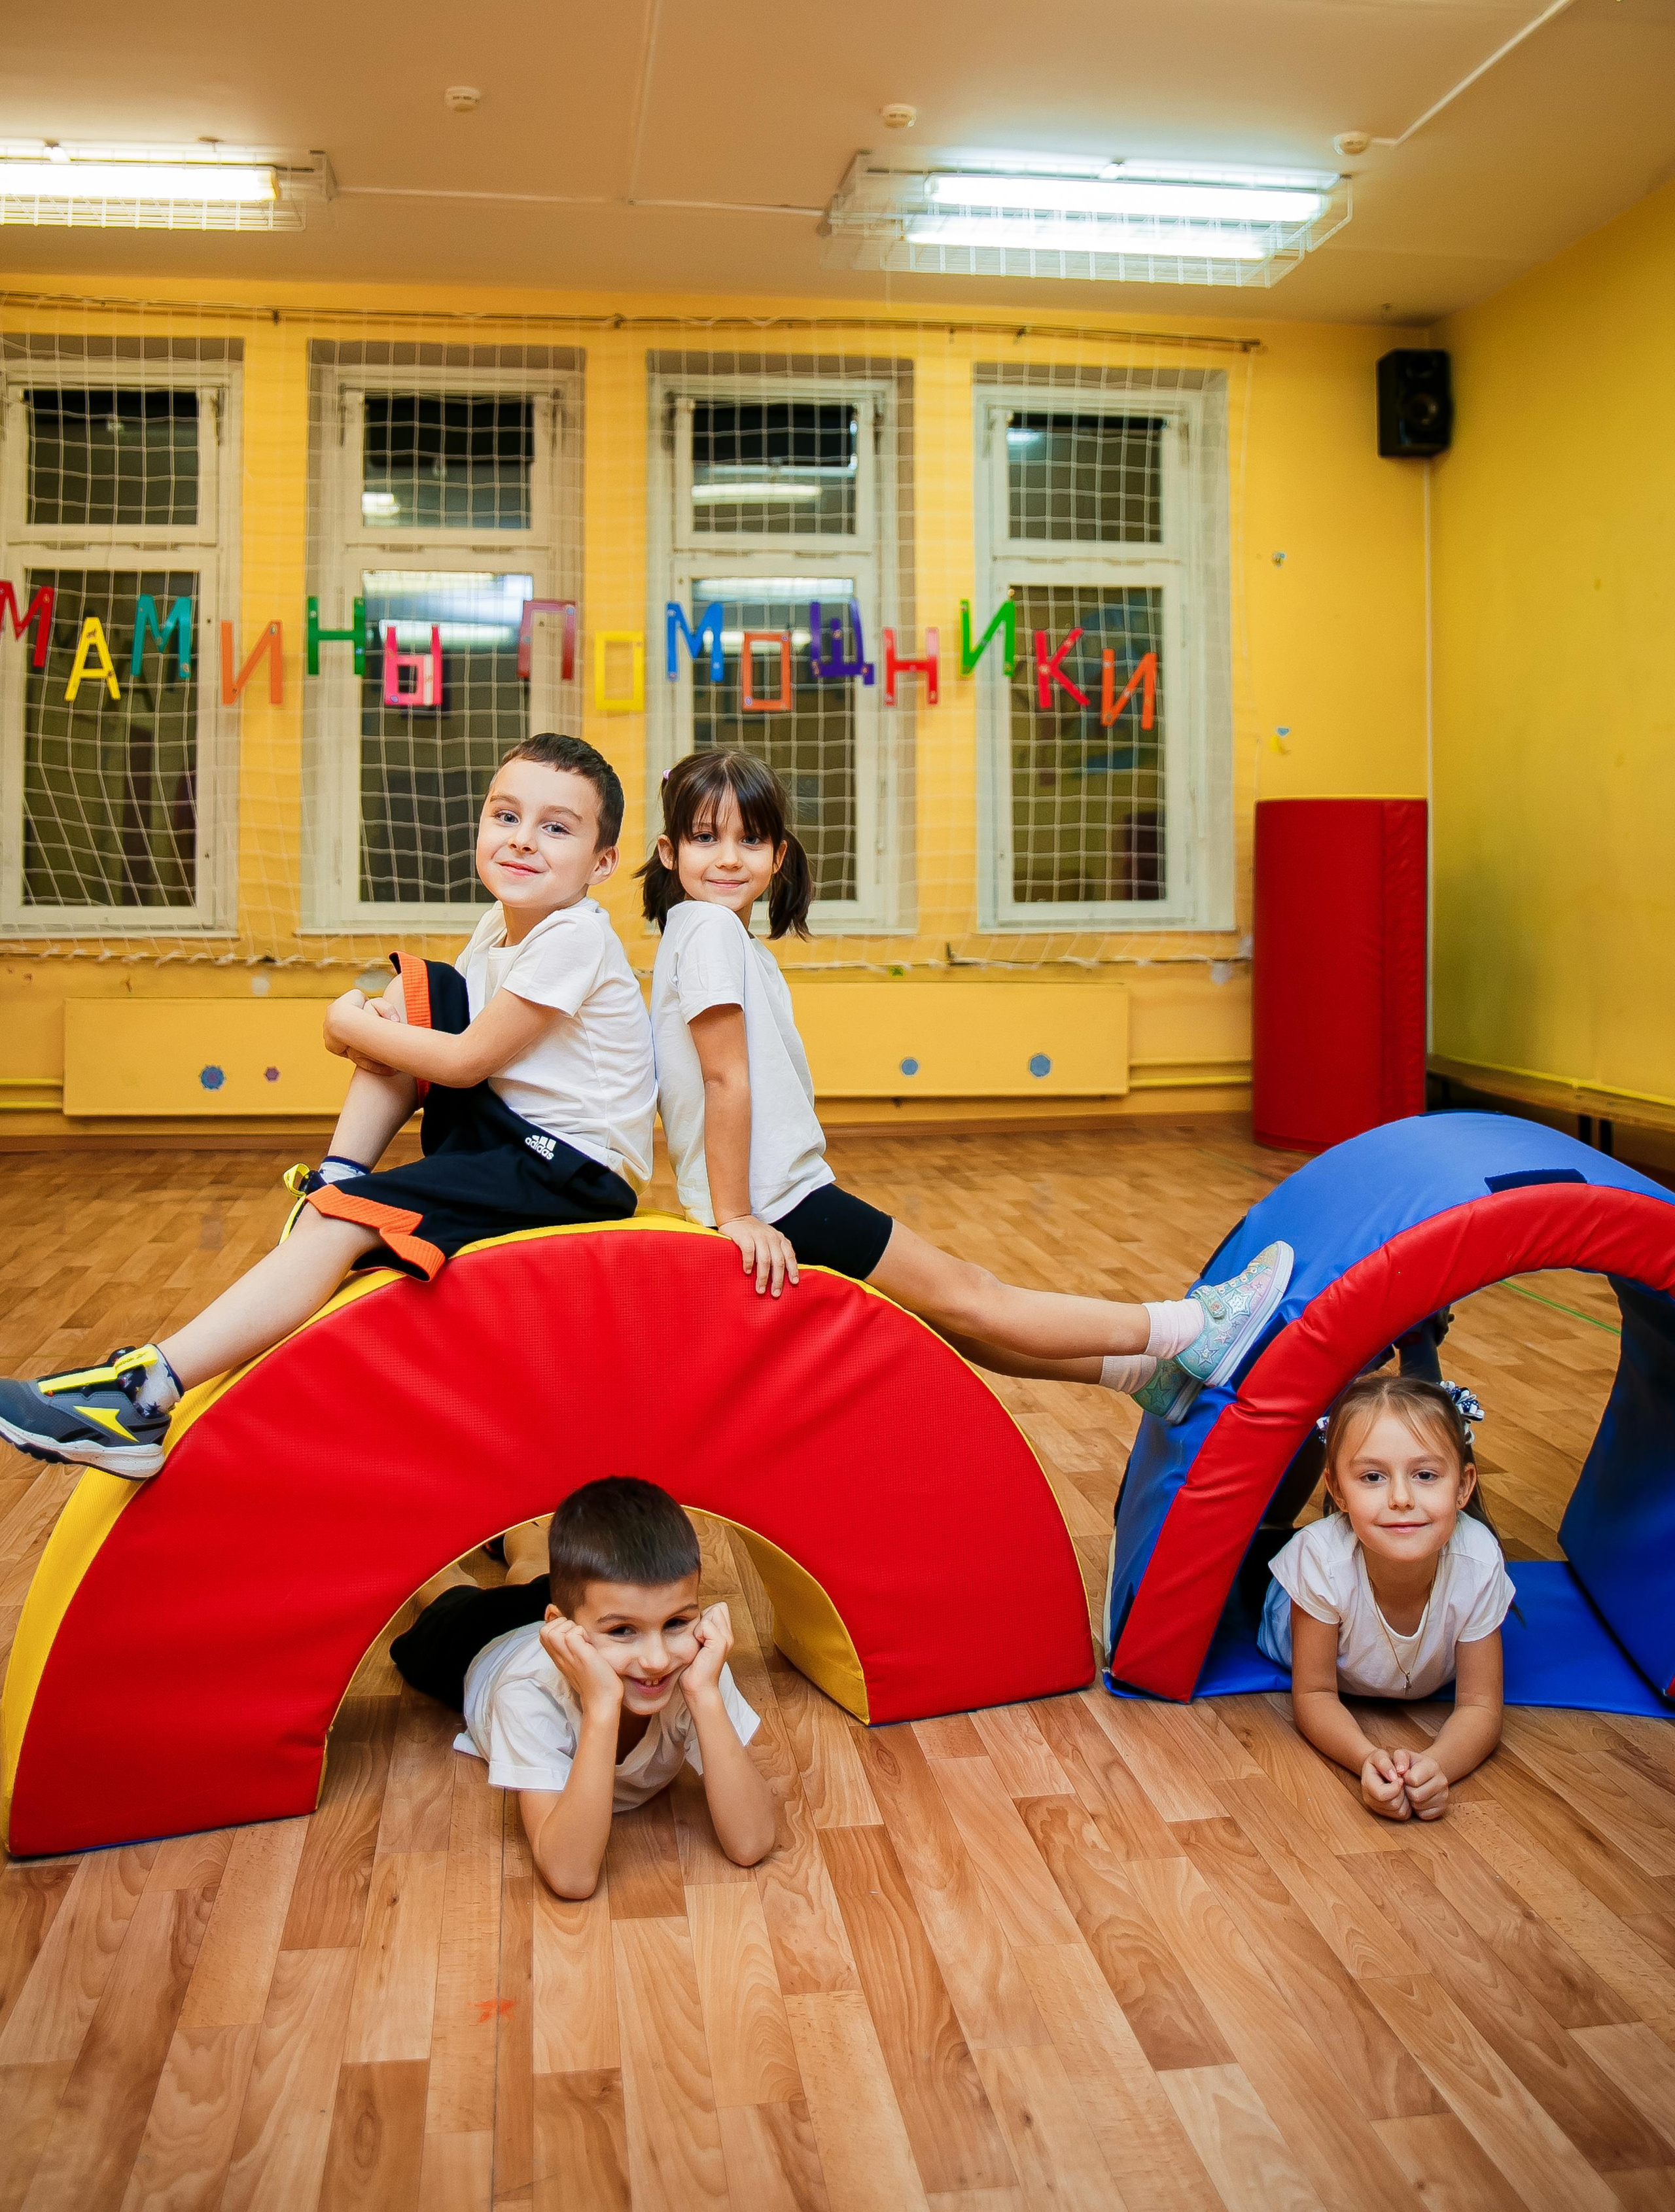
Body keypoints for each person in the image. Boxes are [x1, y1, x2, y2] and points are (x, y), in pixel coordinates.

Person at [0, 733, 655, 1480]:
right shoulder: (496, 929)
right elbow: (444, 1044)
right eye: (506, 816)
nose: (522, 842)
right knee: (422, 996)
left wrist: (347, 1026)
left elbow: (469, 1061)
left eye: (556, 828)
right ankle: (338, 1177)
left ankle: (142, 1396)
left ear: (602, 863)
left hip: (565, 1171)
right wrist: (380, 1025)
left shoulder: (573, 935)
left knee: (363, 1148)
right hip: (510, 1138)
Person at [640, 748, 1292, 1415]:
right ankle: (1192, 1329)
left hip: (769, 1196)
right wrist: (739, 1215)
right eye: (704, 837)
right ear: (669, 851)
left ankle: (1138, 1375)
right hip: (779, 1201)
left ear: (778, 856)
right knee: (975, 1294)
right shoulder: (713, 931)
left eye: (749, 839)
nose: (727, 857)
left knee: (950, 1316)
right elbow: (724, 1079)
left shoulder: (701, 934)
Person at [390, 1477, 775, 1899]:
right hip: (478, 1641)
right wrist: (602, 1706)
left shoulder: (695, 1669)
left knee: (537, 1577)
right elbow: (571, 1877)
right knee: (451, 1594)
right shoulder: (525, 1695)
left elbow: (751, 1843)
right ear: (563, 1629)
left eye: (677, 1623)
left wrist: (705, 1694)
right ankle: (453, 1568)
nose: (658, 1660)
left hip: (573, 1612)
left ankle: (522, 1540)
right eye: (625, 1631)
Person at [1258, 1371, 1513, 1822]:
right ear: (1337, 1489)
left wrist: (1438, 1766)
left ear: (1462, 1485)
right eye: (1373, 1476)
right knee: (1263, 1554)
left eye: (1426, 1474)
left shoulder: (1478, 1558)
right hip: (1292, 1614)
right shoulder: (1321, 1559)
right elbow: (1315, 1692)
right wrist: (1365, 1759)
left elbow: (1480, 1704)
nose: (1400, 1497)